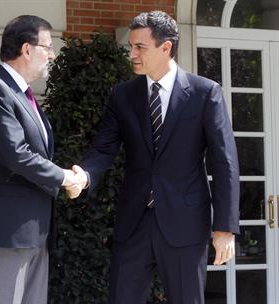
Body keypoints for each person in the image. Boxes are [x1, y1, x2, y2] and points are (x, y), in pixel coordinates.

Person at [68, 11, 240, 304]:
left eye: (140, 47)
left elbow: (224, 162)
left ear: (166, 47)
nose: (132, 54)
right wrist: (84, 175)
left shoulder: (205, 93)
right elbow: (103, 149)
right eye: (131, 47)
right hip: (134, 222)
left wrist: (224, 227)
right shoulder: (122, 95)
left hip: (186, 223)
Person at [0, 15, 82, 304]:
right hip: (5, 232)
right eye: (48, 46)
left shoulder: (23, 95)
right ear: (27, 49)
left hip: (34, 231)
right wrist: (65, 177)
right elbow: (16, 154)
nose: (53, 54)